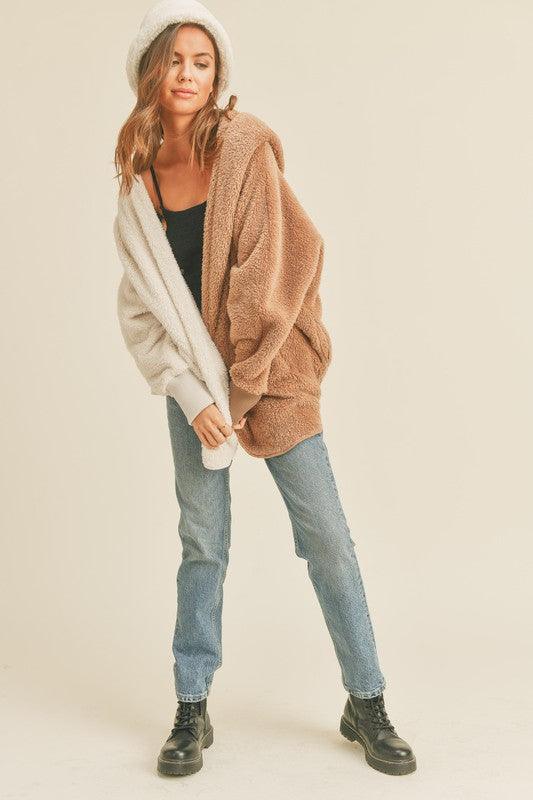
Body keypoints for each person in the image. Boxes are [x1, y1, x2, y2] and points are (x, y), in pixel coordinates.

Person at [113, 0, 416, 778]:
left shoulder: (243, 145)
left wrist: (243, 388)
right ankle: (191, 706)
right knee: (202, 542)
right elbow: (142, 310)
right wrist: (195, 397)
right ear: (151, 70)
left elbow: (276, 268)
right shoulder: (137, 184)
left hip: (271, 370)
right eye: (175, 60)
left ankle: (366, 700)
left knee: (327, 539)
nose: (188, 74)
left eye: (202, 62)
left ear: (218, 74)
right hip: (199, 390)